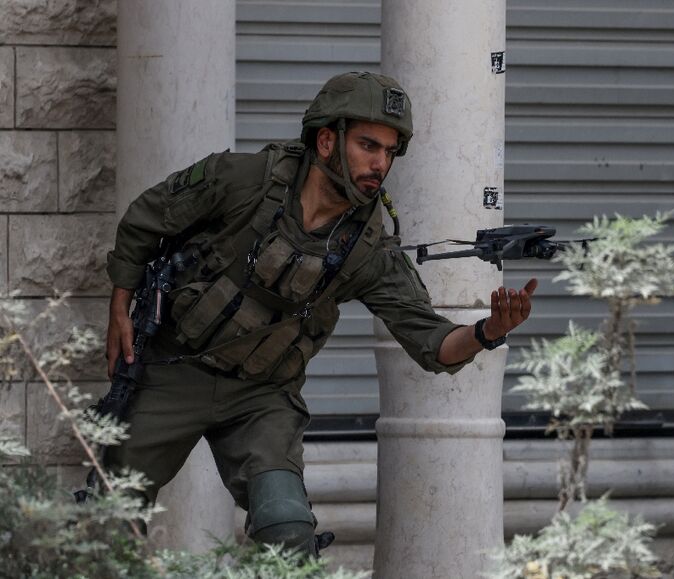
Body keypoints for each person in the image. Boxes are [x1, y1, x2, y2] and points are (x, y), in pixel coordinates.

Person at [104, 71, 537, 555]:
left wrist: (488, 331)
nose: (380, 163)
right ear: (327, 139)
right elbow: (147, 217)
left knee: (287, 530)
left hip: (260, 398)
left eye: (390, 152)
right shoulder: (242, 179)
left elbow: (431, 342)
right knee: (106, 519)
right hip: (173, 370)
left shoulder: (369, 248)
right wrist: (120, 309)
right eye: (369, 145)